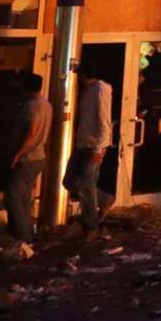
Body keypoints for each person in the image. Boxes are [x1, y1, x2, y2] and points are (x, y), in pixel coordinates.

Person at [2, 71, 50, 243]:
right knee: (24, 197)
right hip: (38, 157)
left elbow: (32, 131)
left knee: (13, 196)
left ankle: (20, 236)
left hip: (28, 158)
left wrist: (18, 153)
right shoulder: (46, 104)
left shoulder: (31, 106)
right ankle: (26, 233)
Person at [66, 65, 113, 233]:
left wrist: (99, 148)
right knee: (70, 180)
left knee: (87, 185)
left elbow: (104, 120)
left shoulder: (101, 89)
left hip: (93, 145)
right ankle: (104, 198)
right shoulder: (87, 92)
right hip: (83, 143)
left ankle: (91, 225)